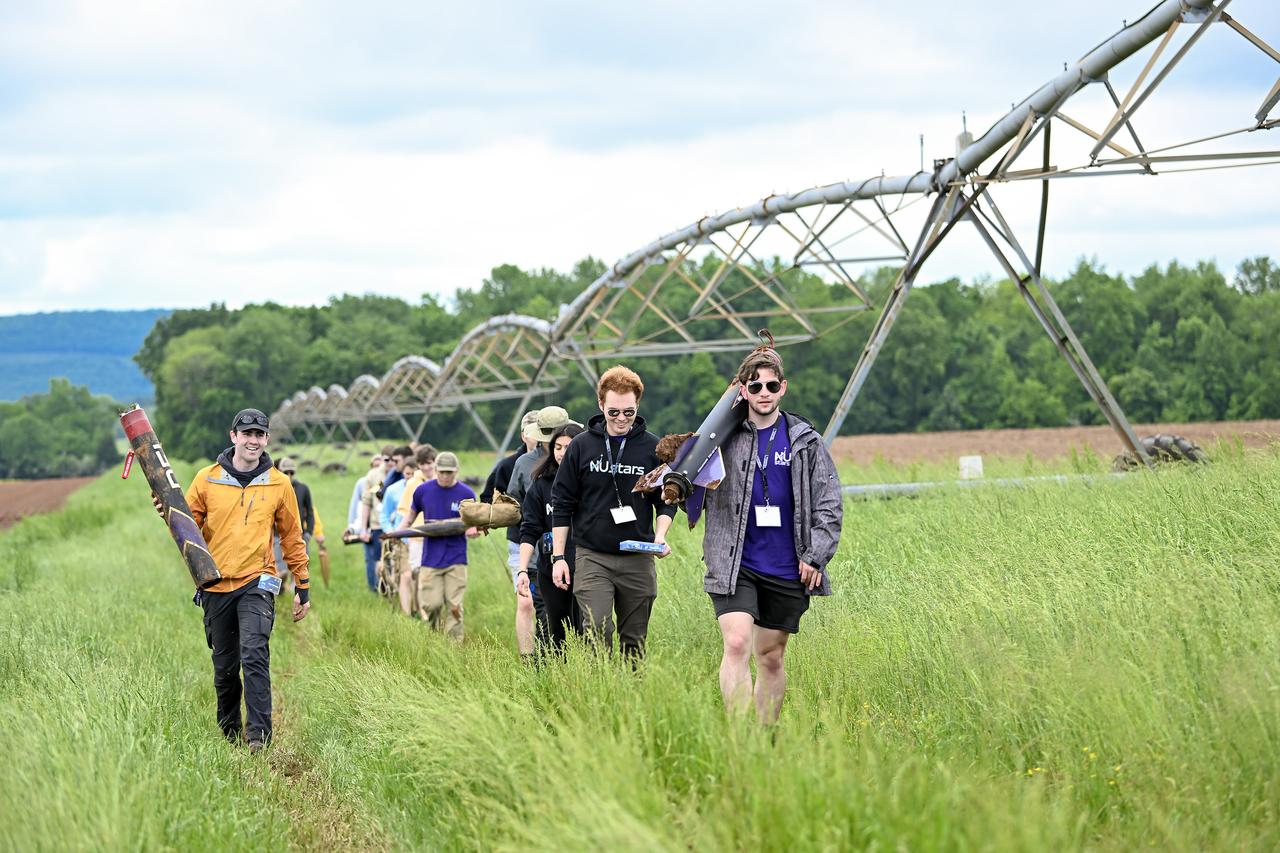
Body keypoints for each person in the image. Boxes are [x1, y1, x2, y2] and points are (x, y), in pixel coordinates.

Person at [701, 347, 843, 724]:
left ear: (783, 388)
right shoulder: (720, 439)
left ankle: (765, 737)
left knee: (770, 656)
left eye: (771, 384)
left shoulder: (805, 440)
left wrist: (815, 555)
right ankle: (742, 738)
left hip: (786, 564)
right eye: (755, 385)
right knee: (736, 643)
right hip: (735, 562)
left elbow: (829, 502)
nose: (764, 391)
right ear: (742, 391)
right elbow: (688, 486)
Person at [180, 408, 311, 753]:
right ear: (233, 436)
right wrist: (168, 511)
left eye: (259, 435)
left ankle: (259, 738)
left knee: (254, 654)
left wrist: (302, 585)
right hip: (215, 584)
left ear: (266, 440)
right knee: (225, 667)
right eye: (247, 434)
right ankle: (230, 734)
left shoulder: (279, 483)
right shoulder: (206, 479)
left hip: (259, 580)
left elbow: (292, 537)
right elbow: (185, 527)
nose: (253, 440)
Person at [551, 366, 676, 661]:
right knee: (597, 629)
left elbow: (667, 498)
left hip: (637, 556)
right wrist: (559, 557)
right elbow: (562, 502)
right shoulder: (581, 446)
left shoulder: (652, 448)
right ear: (601, 406)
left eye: (629, 413)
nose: (621, 419)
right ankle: (598, 696)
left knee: (634, 641)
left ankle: (629, 701)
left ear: (637, 407)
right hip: (594, 556)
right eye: (614, 412)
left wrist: (660, 536)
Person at [517, 422, 584, 655]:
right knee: (555, 629)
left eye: (569, 447)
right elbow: (529, 529)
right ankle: (552, 677)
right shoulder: (541, 486)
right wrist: (523, 569)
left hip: (588, 567)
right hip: (551, 570)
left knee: (587, 628)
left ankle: (588, 678)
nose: (563, 453)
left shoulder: (590, 484)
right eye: (558, 447)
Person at [481, 411, 538, 655]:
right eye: (531, 431)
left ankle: (552, 654)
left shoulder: (562, 458)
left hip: (554, 542)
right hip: (520, 540)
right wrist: (487, 517)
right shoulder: (508, 465)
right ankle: (528, 658)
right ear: (523, 434)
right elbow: (487, 498)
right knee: (526, 601)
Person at [407, 451, 479, 640]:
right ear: (435, 470)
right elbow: (410, 517)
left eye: (449, 472)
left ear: (456, 471)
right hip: (430, 558)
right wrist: (395, 534)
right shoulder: (423, 491)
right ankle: (434, 635)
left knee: (454, 605)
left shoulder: (466, 494)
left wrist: (473, 530)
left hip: (456, 557)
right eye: (442, 472)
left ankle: (454, 645)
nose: (445, 476)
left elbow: (475, 525)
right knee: (431, 605)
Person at [396, 444, 437, 615]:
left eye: (429, 462)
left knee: (434, 575)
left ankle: (432, 609)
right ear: (418, 464)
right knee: (418, 574)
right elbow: (405, 511)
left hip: (438, 535)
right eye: (422, 463)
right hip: (418, 536)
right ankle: (423, 612)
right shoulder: (413, 484)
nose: (426, 467)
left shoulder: (442, 479)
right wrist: (398, 533)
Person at [380, 459, 419, 614]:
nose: (409, 477)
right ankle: (407, 612)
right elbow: (384, 515)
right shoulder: (393, 490)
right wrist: (392, 532)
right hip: (401, 540)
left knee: (418, 577)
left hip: (420, 539)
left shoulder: (423, 488)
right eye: (407, 474)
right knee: (406, 575)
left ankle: (418, 609)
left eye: (412, 474)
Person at [356, 452, 393, 591]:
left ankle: (392, 589)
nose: (389, 462)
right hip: (377, 525)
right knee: (377, 560)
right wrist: (363, 528)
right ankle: (379, 589)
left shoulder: (401, 475)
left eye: (392, 459)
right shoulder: (373, 476)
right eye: (386, 459)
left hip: (396, 525)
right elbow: (364, 503)